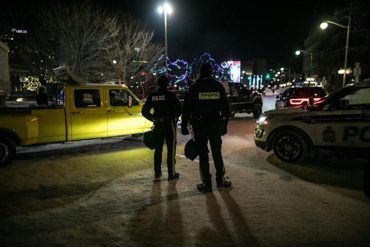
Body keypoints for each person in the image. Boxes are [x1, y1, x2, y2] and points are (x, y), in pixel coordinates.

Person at [181, 63, 231, 193]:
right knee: (217, 154)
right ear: (211, 73)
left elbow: (186, 108)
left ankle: (207, 184)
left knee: (203, 155)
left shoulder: (194, 88)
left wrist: (184, 125)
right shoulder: (218, 87)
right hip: (215, 125)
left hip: (200, 126)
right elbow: (226, 109)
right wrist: (224, 125)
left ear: (200, 73)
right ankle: (220, 180)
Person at [142, 75, 182, 181]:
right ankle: (171, 173)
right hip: (169, 125)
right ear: (167, 84)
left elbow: (144, 111)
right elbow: (179, 109)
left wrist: (153, 119)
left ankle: (157, 172)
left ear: (158, 84)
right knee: (171, 150)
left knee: (158, 149)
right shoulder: (171, 95)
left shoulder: (153, 96)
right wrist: (174, 118)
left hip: (158, 126)